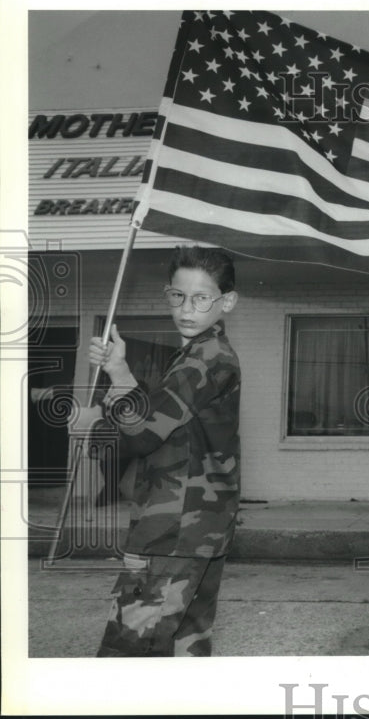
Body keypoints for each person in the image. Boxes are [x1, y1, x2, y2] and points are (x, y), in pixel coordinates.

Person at [70, 246, 241, 656]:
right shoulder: (200, 355)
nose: (187, 309)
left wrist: (109, 395)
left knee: (128, 653)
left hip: (172, 531)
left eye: (202, 298)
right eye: (177, 296)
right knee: (185, 647)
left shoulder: (204, 360)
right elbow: (163, 422)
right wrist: (121, 374)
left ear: (227, 302)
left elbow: (143, 432)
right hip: (197, 532)